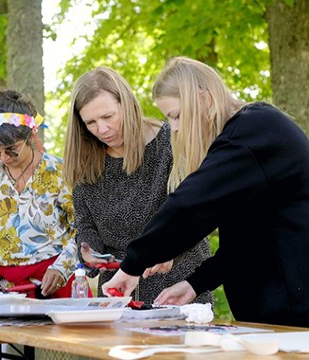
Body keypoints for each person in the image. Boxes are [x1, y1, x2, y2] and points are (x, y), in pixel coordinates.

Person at [103, 57, 309, 328]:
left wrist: (133, 264)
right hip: (276, 319)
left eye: (176, 115)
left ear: (204, 100)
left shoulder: (253, 131)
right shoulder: (245, 140)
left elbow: (190, 205)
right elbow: (249, 240)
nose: (173, 127)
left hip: (304, 317)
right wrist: (195, 284)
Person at [63, 66, 212, 304]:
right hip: (117, 294)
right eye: (90, 122)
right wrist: (89, 250)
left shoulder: (171, 142)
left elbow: (198, 215)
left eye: (108, 117)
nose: (101, 129)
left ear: (127, 104)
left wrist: (171, 252)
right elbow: (86, 223)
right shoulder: (86, 161)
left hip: (178, 289)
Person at [0, 89, 78, 299]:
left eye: (11, 149)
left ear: (31, 135)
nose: (4, 158)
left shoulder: (58, 172)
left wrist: (62, 267)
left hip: (52, 281)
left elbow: (81, 229)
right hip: (2, 286)